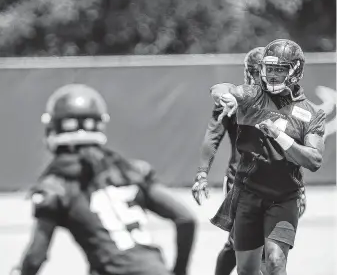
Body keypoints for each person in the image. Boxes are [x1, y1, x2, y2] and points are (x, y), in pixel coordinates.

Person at [11, 84, 196, 275]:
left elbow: (35, 257)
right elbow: (186, 218)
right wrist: (179, 271)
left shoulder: (57, 185)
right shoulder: (128, 171)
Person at [209, 39, 325, 275]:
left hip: (284, 198)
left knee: (274, 261)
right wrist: (226, 97)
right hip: (248, 194)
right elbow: (220, 88)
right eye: (269, 68)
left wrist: (280, 136)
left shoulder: (312, 113)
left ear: (295, 71)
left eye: (279, 69)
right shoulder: (252, 96)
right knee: (246, 270)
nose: (272, 75)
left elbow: (313, 160)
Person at [192, 47, 265, 275]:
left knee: (268, 246)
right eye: (265, 71)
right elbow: (213, 134)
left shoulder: (282, 101)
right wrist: (202, 173)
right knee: (239, 243)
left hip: (275, 182)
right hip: (240, 182)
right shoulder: (235, 97)